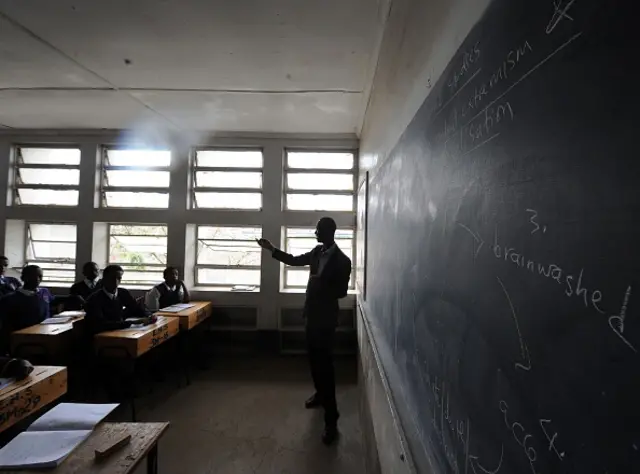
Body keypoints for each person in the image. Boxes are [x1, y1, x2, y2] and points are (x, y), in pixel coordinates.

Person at [256, 217, 351, 445]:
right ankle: (319, 394)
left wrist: (322, 285)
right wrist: (272, 249)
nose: (315, 233)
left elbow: (341, 292)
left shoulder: (342, 261)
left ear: (329, 232)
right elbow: (294, 260)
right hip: (312, 317)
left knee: (325, 367)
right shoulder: (317, 252)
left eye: (318, 230)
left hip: (326, 321)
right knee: (313, 361)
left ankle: (331, 419)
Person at [84, 264, 154, 336]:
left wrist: (149, 315)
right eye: (112, 278)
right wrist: (132, 323)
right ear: (104, 279)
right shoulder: (94, 299)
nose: (115, 281)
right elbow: (101, 324)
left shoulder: (123, 292)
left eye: (119, 278)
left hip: (119, 331)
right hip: (101, 336)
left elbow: (135, 308)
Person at [0, 265, 56, 354]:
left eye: (40, 276)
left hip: (46, 334)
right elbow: (6, 326)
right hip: (24, 339)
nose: (37, 279)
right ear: (23, 278)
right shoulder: (10, 299)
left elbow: (53, 302)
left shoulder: (44, 292)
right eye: (33, 276)